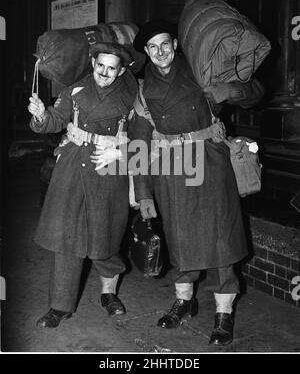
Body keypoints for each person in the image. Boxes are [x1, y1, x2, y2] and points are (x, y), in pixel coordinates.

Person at [131, 20, 264, 345]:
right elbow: (137, 145)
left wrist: (228, 91)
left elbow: (256, 90)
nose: (160, 52)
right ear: (147, 52)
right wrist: (143, 192)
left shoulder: (203, 69)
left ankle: (223, 313)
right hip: (171, 173)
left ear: (175, 44)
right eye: (152, 47)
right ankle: (183, 301)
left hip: (210, 163)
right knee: (180, 240)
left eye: (165, 44)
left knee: (222, 241)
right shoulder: (143, 90)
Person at [28, 42, 137, 328]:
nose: (104, 72)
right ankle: (59, 306)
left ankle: (109, 294)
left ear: (122, 70)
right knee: (67, 238)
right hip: (74, 167)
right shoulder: (75, 90)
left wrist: (122, 152)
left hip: (108, 168)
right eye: (100, 65)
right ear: (93, 63)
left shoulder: (132, 95)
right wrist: (41, 113)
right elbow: (55, 120)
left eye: (112, 67)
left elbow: (146, 137)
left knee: (107, 238)